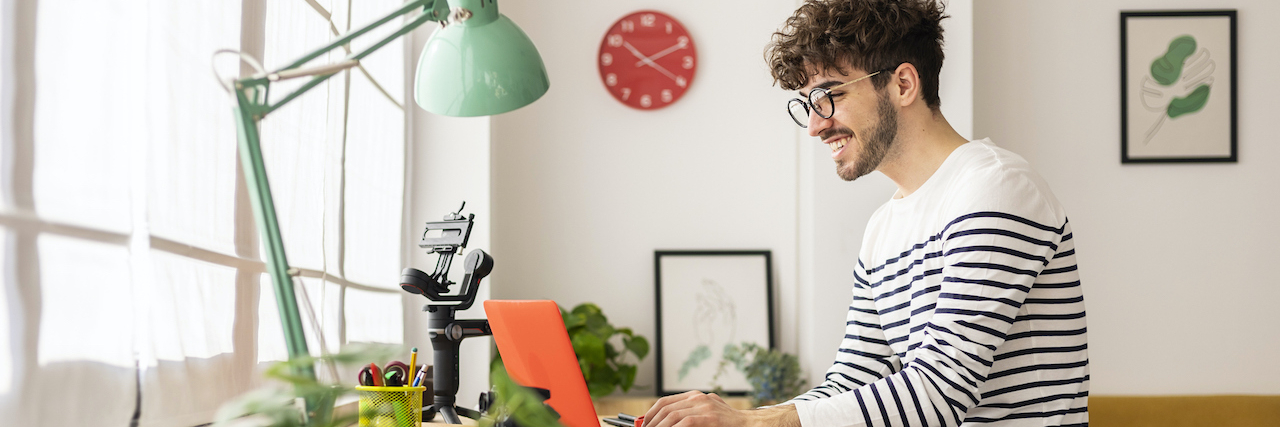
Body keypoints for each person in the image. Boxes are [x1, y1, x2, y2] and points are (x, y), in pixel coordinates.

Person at [641, 0, 1089, 426]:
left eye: (828, 96)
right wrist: (740, 418)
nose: (816, 125)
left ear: (903, 84)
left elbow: (940, 394)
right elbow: (853, 381)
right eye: (808, 105)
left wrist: (751, 421)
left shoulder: (995, 189)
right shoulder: (883, 229)